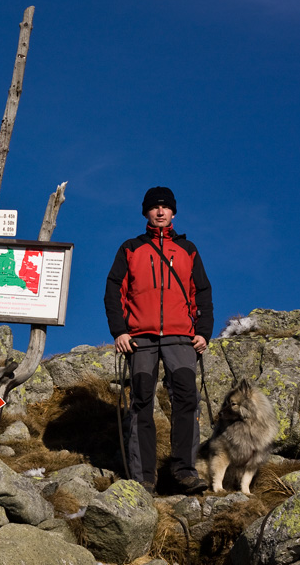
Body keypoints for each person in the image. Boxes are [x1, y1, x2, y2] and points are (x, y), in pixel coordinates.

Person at [104, 186, 214, 495]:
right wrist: (120, 331)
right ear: (146, 213)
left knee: (187, 400)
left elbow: (202, 292)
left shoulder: (188, 250)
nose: (161, 211)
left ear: (173, 212)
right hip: (141, 339)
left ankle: (183, 470)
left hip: (181, 337)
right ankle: (145, 479)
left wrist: (203, 331)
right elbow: (114, 290)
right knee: (141, 403)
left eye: (166, 207)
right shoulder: (131, 248)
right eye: (155, 207)